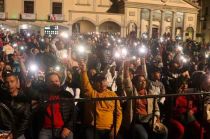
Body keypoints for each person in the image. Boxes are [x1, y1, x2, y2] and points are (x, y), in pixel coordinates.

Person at [79, 60, 122, 139]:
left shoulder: (112, 94)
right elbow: (86, 84)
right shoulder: (92, 93)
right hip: (93, 128)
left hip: (110, 129)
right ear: (94, 83)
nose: (102, 84)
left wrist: (115, 130)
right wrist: (83, 71)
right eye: (99, 81)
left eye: (104, 80)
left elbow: (119, 114)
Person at [31, 72, 76, 139]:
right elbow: (29, 93)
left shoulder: (67, 95)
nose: (54, 83)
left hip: (63, 128)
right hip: (46, 130)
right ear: (47, 83)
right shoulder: (42, 94)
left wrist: (68, 128)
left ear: (60, 82)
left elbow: (74, 112)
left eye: (56, 81)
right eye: (51, 81)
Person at [0, 71, 31, 139]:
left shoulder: (25, 98)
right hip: (3, 133)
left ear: (17, 83)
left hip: (18, 134)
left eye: (12, 81)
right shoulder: (2, 98)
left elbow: (25, 121)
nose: (9, 84)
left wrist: (14, 135)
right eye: (7, 82)